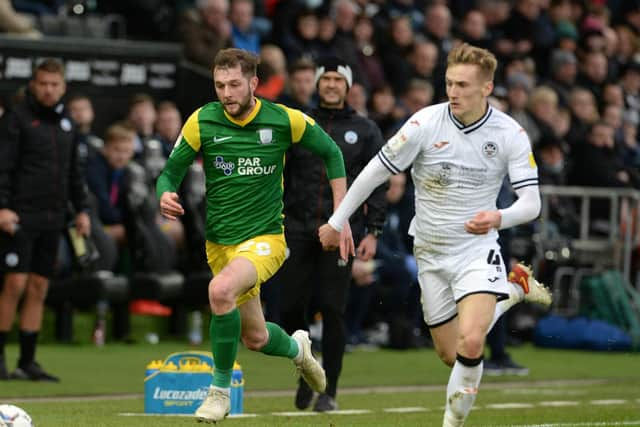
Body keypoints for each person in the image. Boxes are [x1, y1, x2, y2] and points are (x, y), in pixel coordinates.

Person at [319, 43, 552, 427]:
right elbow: (376, 172)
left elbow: (532, 203)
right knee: (449, 353)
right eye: (449, 83)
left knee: (471, 343)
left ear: (487, 88)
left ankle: (451, 423)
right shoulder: (424, 123)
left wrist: (498, 217)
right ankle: (512, 291)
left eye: (463, 85)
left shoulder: (510, 133)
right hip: (429, 249)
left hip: (476, 249)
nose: (454, 92)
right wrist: (337, 219)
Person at [156, 48, 353, 423]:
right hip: (220, 244)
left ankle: (218, 392)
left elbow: (332, 153)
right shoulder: (202, 121)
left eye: (233, 84)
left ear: (253, 84)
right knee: (256, 339)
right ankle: (298, 349)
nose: (226, 93)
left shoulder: (283, 119)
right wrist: (164, 193)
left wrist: (339, 215)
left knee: (219, 291)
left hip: (266, 239)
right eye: (219, 85)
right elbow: (170, 172)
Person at [275, 57, 387, 412]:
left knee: (332, 309)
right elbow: (280, 171)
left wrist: (374, 230)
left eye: (339, 79)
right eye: (327, 79)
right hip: (296, 226)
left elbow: (378, 181)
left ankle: (330, 389)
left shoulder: (366, 129)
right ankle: (306, 371)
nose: (332, 85)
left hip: (341, 231)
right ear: (317, 83)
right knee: (290, 306)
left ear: (348, 85)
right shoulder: (298, 122)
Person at [0, 58, 90, 382]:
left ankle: (27, 361)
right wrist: (2, 207)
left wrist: (81, 210)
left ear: (63, 86)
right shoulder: (16, 119)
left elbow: (74, 172)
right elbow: (3, 168)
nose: (49, 90)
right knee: (14, 284)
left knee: (39, 286)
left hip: (53, 218)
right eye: (43, 84)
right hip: (19, 216)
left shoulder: (68, 122)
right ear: (33, 85)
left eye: (55, 84)